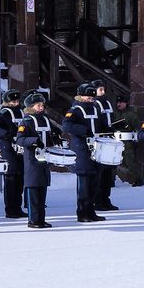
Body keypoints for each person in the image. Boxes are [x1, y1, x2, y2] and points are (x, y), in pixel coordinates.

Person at [15, 93, 58, 228]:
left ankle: (41, 218)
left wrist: (55, 138)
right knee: (33, 188)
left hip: (44, 158)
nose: (41, 107)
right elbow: (20, 139)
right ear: (31, 107)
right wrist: (34, 141)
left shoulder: (45, 119)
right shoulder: (26, 121)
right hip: (32, 159)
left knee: (42, 188)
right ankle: (33, 219)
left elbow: (49, 135)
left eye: (42, 105)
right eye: (38, 105)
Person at [63, 83, 104, 223]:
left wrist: (112, 129)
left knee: (95, 182)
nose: (91, 99)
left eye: (93, 97)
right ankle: (82, 213)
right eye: (88, 97)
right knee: (84, 184)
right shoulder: (75, 109)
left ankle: (91, 211)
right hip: (82, 149)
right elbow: (67, 125)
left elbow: (102, 125)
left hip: (97, 150)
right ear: (81, 96)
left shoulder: (97, 109)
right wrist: (83, 130)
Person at [0, 91, 27, 219]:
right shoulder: (3, 113)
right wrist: (6, 134)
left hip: (20, 148)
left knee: (20, 179)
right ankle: (10, 209)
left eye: (16, 101)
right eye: (12, 102)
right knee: (11, 178)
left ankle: (17, 207)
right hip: (8, 148)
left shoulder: (21, 112)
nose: (15, 104)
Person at [92, 83, 121, 211]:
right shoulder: (94, 104)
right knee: (100, 172)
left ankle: (106, 199)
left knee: (108, 172)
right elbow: (97, 121)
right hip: (100, 139)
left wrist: (118, 125)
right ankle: (98, 200)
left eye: (104, 89)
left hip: (109, 138)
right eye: (100, 89)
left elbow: (112, 118)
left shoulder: (108, 103)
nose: (103, 92)